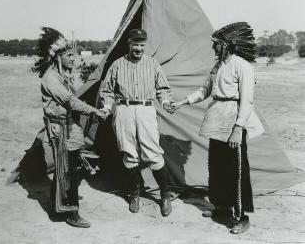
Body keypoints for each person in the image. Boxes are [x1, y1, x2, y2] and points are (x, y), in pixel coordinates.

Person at [170, 22, 264, 234]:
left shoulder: (243, 66)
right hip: (216, 119)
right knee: (218, 166)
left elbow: (247, 101)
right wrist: (181, 102)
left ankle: (241, 217)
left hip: (233, 119)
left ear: (228, 45)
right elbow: (205, 90)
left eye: (218, 44)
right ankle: (222, 208)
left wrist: (238, 128)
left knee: (237, 170)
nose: (214, 47)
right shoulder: (218, 65)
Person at [32, 27, 106, 228]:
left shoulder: (62, 75)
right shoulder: (51, 79)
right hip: (60, 129)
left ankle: (58, 209)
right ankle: (72, 212)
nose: (73, 59)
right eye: (69, 55)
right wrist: (95, 111)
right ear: (58, 57)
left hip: (67, 127)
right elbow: (72, 102)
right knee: (69, 171)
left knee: (66, 169)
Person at [99, 29, 173, 216]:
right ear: (129, 44)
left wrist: (165, 101)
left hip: (146, 109)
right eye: (135, 44)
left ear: (145, 45)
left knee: (153, 153)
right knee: (129, 153)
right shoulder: (117, 64)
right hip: (123, 109)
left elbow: (163, 88)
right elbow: (107, 90)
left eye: (142, 45)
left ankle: (165, 195)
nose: (139, 48)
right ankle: (135, 194)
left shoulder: (153, 64)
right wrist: (107, 108)